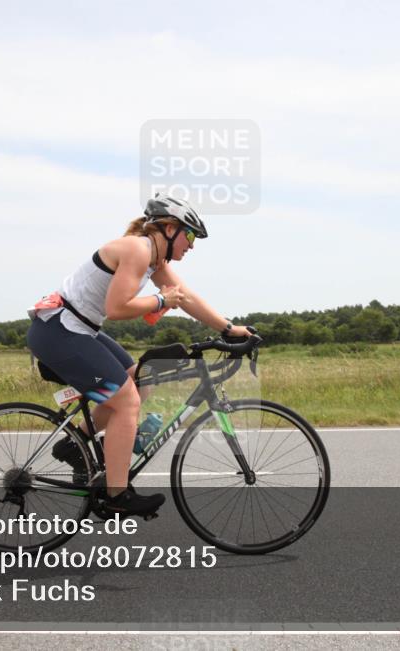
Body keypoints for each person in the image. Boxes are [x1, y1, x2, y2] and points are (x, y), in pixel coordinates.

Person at [26, 194, 254, 517]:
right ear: (170, 228)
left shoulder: (153, 259)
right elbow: (116, 309)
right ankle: (117, 495)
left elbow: (186, 297)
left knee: (139, 379)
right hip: (59, 331)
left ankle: (74, 442)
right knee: (127, 402)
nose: (191, 245)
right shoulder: (138, 248)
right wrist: (161, 301)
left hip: (76, 328)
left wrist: (228, 328)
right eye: (189, 236)